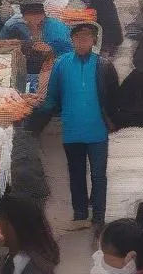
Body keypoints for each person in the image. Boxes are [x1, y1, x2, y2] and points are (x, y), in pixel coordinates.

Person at [29, 22, 117, 235]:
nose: (82, 42)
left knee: (98, 175)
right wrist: (34, 112)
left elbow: (114, 98)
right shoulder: (61, 64)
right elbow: (52, 97)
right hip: (72, 130)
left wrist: (114, 122)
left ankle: (98, 217)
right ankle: (79, 216)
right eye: (78, 39)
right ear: (72, 40)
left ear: (94, 41)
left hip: (97, 131)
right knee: (76, 173)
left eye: (86, 39)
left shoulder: (104, 65)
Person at [0, 0, 74, 74]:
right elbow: (0, 46)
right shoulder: (15, 25)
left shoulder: (56, 32)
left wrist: (50, 53)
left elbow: (68, 61)